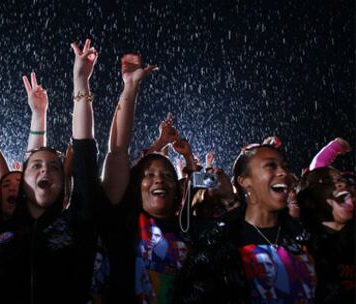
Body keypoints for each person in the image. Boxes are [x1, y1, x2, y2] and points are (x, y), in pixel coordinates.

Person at [0, 37, 100, 303]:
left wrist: (81, 81)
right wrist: (38, 114)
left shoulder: (77, 223)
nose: (45, 171)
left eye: (55, 167)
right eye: (37, 167)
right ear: (23, 179)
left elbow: (84, 148)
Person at [174, 144, 317, 303]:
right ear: (243, 181)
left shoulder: (303, 236)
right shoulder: (218, 240)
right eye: (270, 165)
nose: (283, 172)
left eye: (285, 166)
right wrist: (195, 181)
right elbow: (184, 230)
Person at [99, 53, 188, 303]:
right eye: (148, 176)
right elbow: (117, 151)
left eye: (167, 175)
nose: (158, 180)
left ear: (178, 187)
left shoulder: (192, 230)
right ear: (135, 186)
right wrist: (131, 87)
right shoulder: (126, 221)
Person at [298, 166, 355, 303]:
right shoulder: (303, 251)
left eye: (342, 179)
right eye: (327, 180)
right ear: (309, 201)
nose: (341, 183)